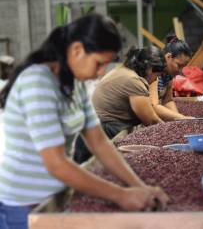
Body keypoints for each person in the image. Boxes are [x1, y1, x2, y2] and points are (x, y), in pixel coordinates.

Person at [0, 13, 169, 229]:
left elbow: (99, 143)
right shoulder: (38, 82)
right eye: (99, 64)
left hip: (55, 196)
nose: (100, 73)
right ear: (77, 50)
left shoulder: (75, 84)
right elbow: (56, 164)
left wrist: (140, 188)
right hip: (22, 205)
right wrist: (121, 195)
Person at [74, 46, 165, 164]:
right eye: (156, 75)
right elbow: (150, 120)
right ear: (150, 69)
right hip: (105, 129)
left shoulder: (123, 71)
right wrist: (171, 131)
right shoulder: (133, 81)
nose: (155, 80)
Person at [149, 34, 193, 121]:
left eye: (183, 67)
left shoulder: (168, 75)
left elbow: (167, 100)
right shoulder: (154, 72)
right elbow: (154, 106)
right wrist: (181, 118)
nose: (181, 71)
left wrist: (179, 118)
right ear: (168, 57)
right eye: (179, 65)